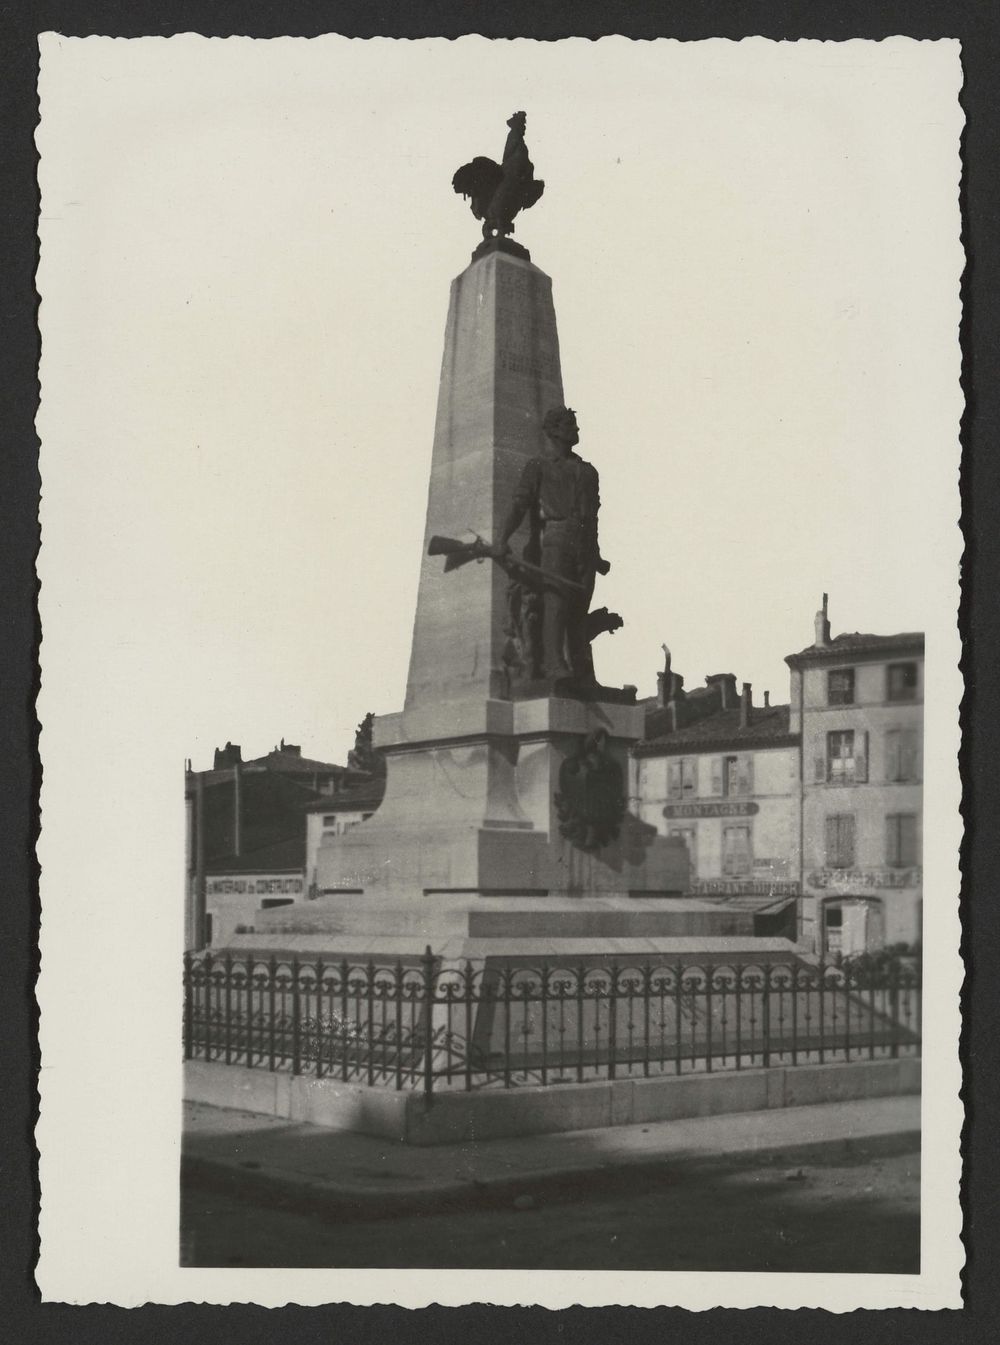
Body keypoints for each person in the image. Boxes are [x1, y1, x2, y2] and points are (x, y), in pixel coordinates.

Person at [494, 406, 610, 681]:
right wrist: (502, 539)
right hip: (556, 539)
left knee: (579, 608)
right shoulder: (539, 467)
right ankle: (555, 665)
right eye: (570, 425)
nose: (576, 430)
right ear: (554, 430)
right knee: (556, 602)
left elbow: (592, 516)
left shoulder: (588, 472)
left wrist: (597, 555)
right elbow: (520, 505)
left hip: (583, 542)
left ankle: (580, 666)